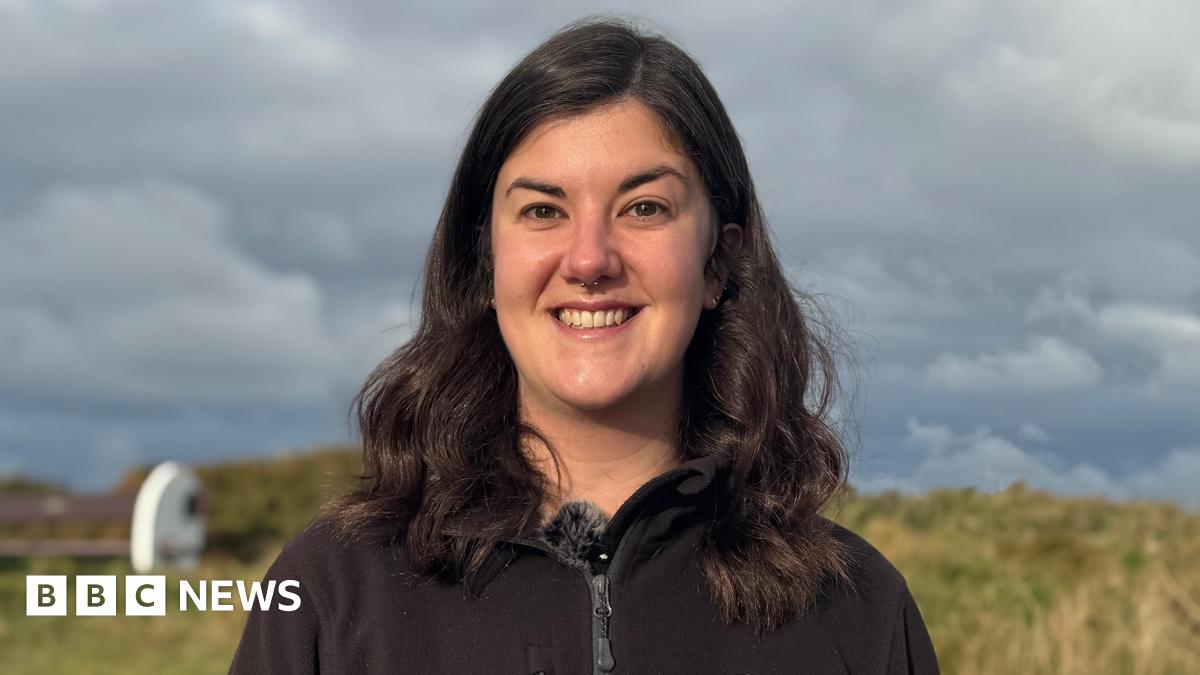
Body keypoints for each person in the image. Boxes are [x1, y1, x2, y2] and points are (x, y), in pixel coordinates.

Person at [230, 15, 939, 675]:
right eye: (543, 210)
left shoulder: (857, 611)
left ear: (719, 263)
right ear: (484, 264)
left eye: (644, 208)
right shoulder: (328, 594)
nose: (590, 259)